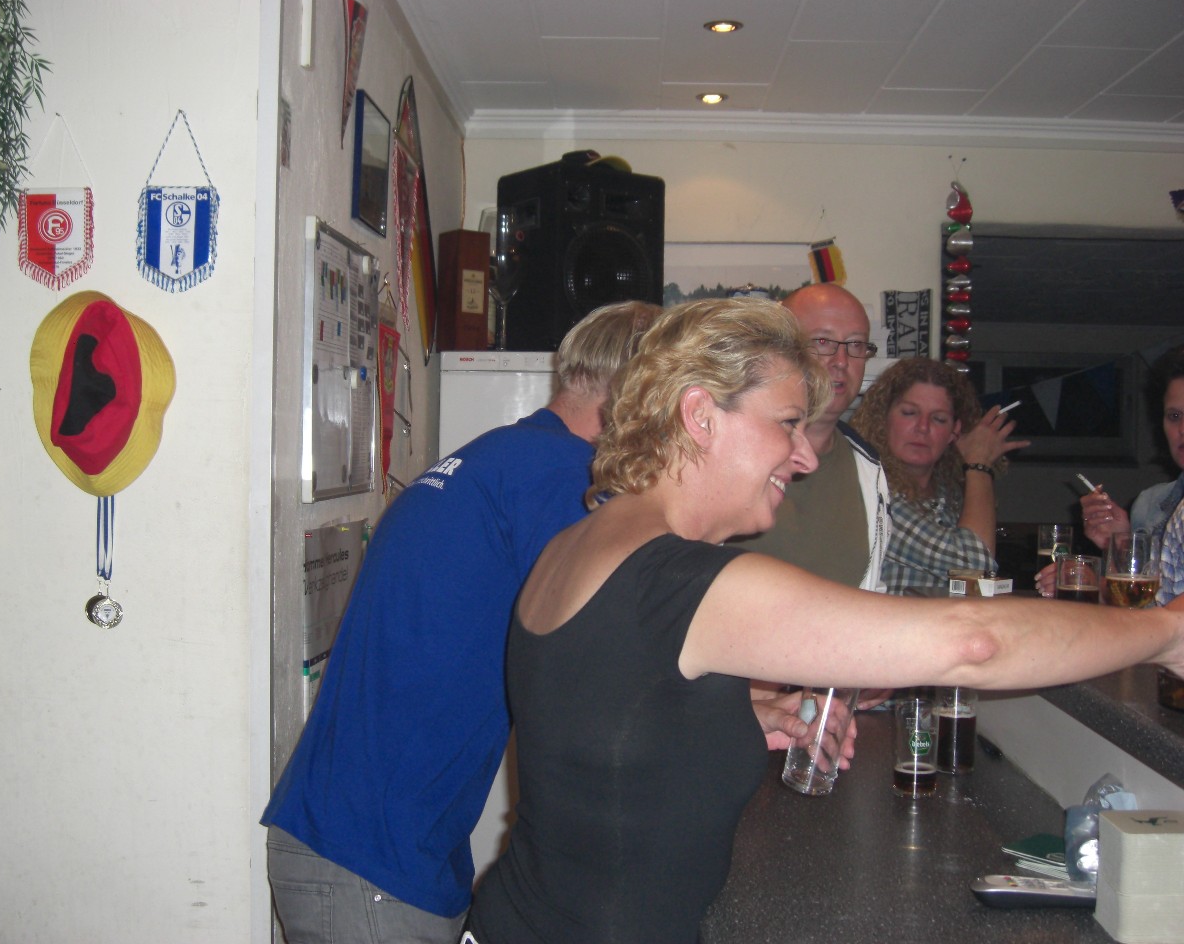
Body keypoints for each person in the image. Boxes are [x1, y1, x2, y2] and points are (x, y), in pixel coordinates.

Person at [464, 296, 1184, 944]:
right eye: (787, 424)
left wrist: (739, 715)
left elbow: (605, 710)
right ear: (699, 415)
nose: (805, 456)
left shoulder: (579, 543)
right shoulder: (688, 581)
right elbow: (975, 641)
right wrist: (1167, 632)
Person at [261, 300, 660, 944]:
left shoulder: (504, 458)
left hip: (371, 845)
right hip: (375, 859)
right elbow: (616, 661)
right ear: (636, 395)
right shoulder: (564, 479)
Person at [730, 283, 890, 591]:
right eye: (822, 341)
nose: (841, 361)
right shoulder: (729, 454)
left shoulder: (870, 470)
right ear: (779, 349)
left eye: (856, 345)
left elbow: (872, 587)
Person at [850, 357, 1028, 593]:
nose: (922, 427)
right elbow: (974, 566)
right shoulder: (872, 489)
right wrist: (979, 464)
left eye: (938, 418)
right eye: (909, 413)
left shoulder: (952, 493)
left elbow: (980, 587)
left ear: (955, 431)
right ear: (883, 419)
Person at [1062, 344, 1184, 602]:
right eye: (1175, 416)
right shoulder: (1149, 504)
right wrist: (1118, 545)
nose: (1183, 428)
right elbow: (1139, 607)